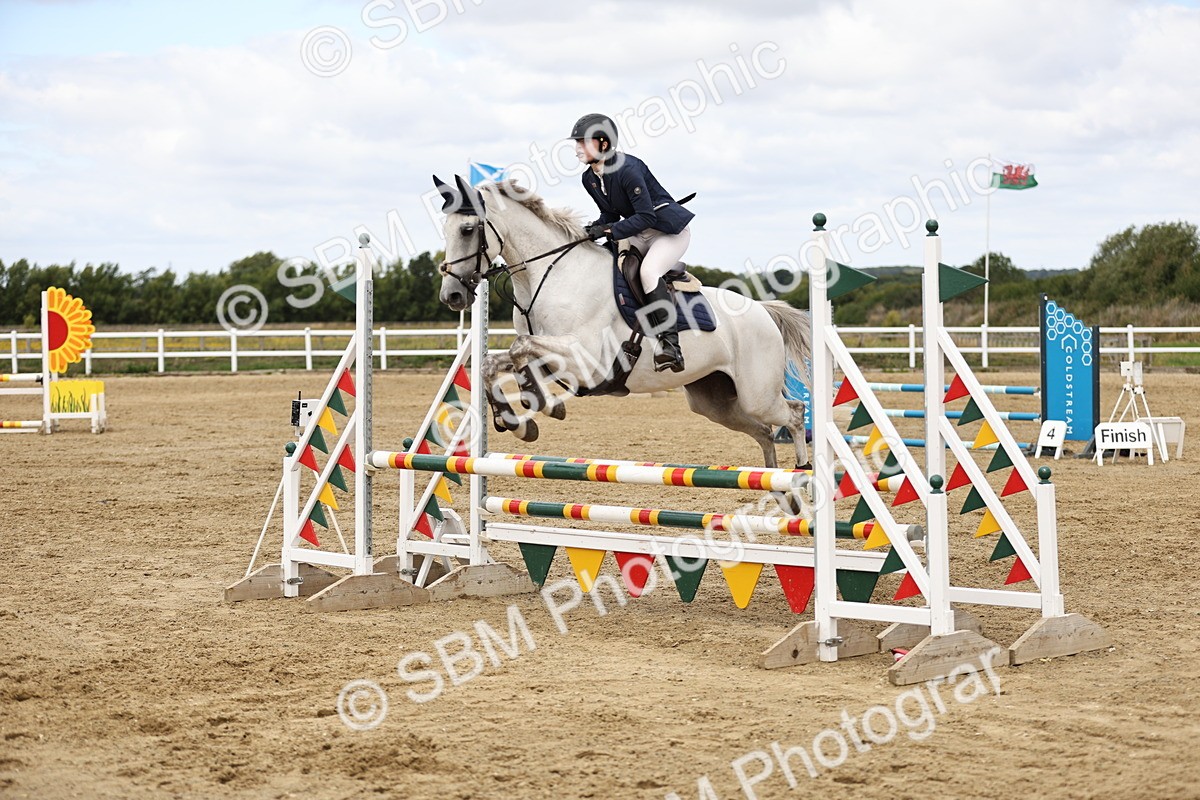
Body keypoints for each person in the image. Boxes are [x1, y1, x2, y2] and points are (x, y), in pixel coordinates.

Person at [571, 113, 694, 373]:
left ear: (604, 144)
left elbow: (647, 215)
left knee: (649, 272)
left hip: (667, 232)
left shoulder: (628, 168)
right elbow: (611, 215)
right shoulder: (589, 178)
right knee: (606, 263)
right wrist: (591, 229)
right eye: (577, 143)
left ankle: (671, 346)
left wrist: (608, 229)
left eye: (583, 142)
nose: (577, 149)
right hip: (638, 231)